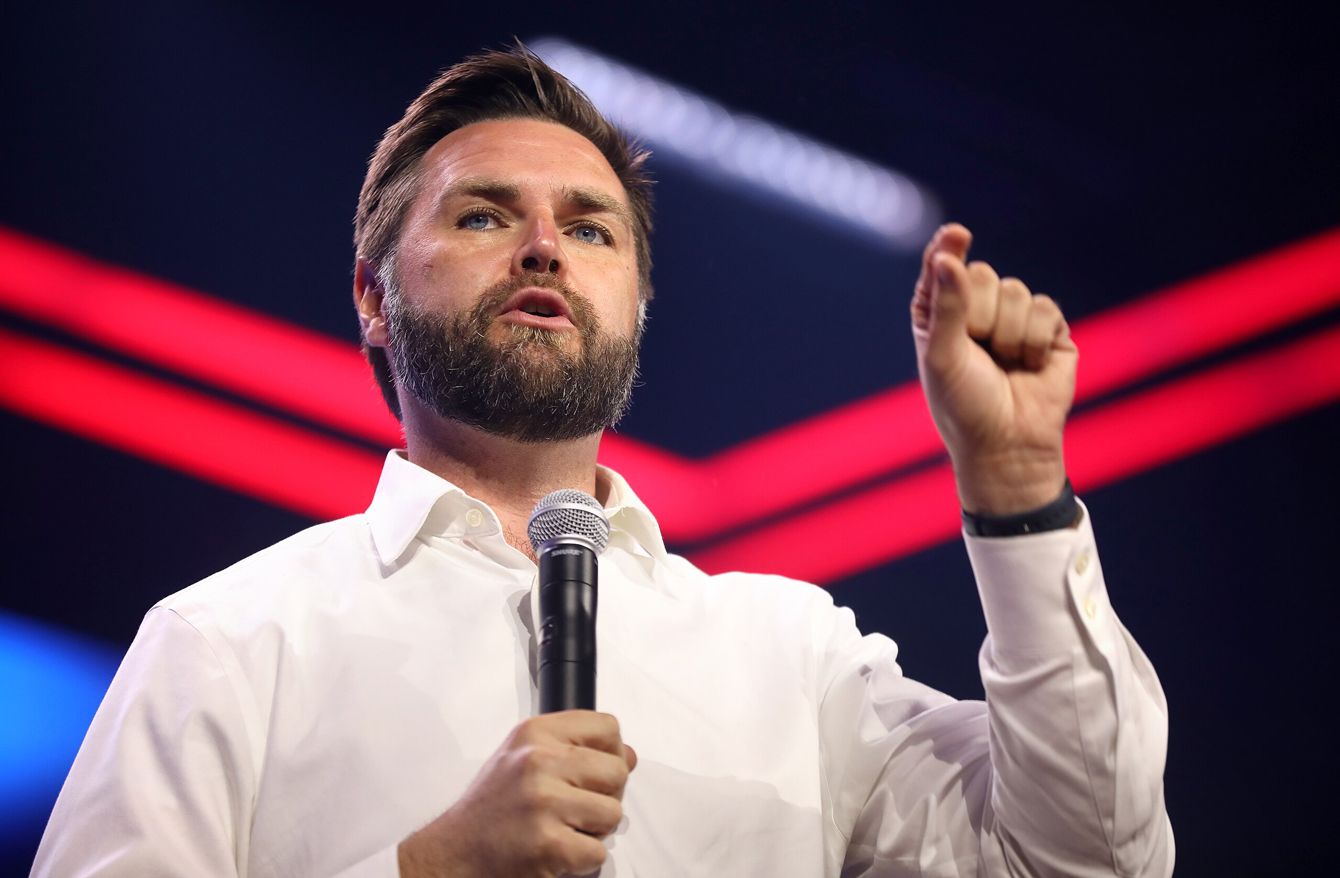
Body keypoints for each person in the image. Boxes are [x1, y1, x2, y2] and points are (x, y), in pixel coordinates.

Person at [32, 46, 1173, 877]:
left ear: (636, 304)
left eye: (589, 230)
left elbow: (1083, 857)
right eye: (484, 216)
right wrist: (428, 871)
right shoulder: (230, 639)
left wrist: (1016, 486)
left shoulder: (792, 655)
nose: (544, 246)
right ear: (373, 299)